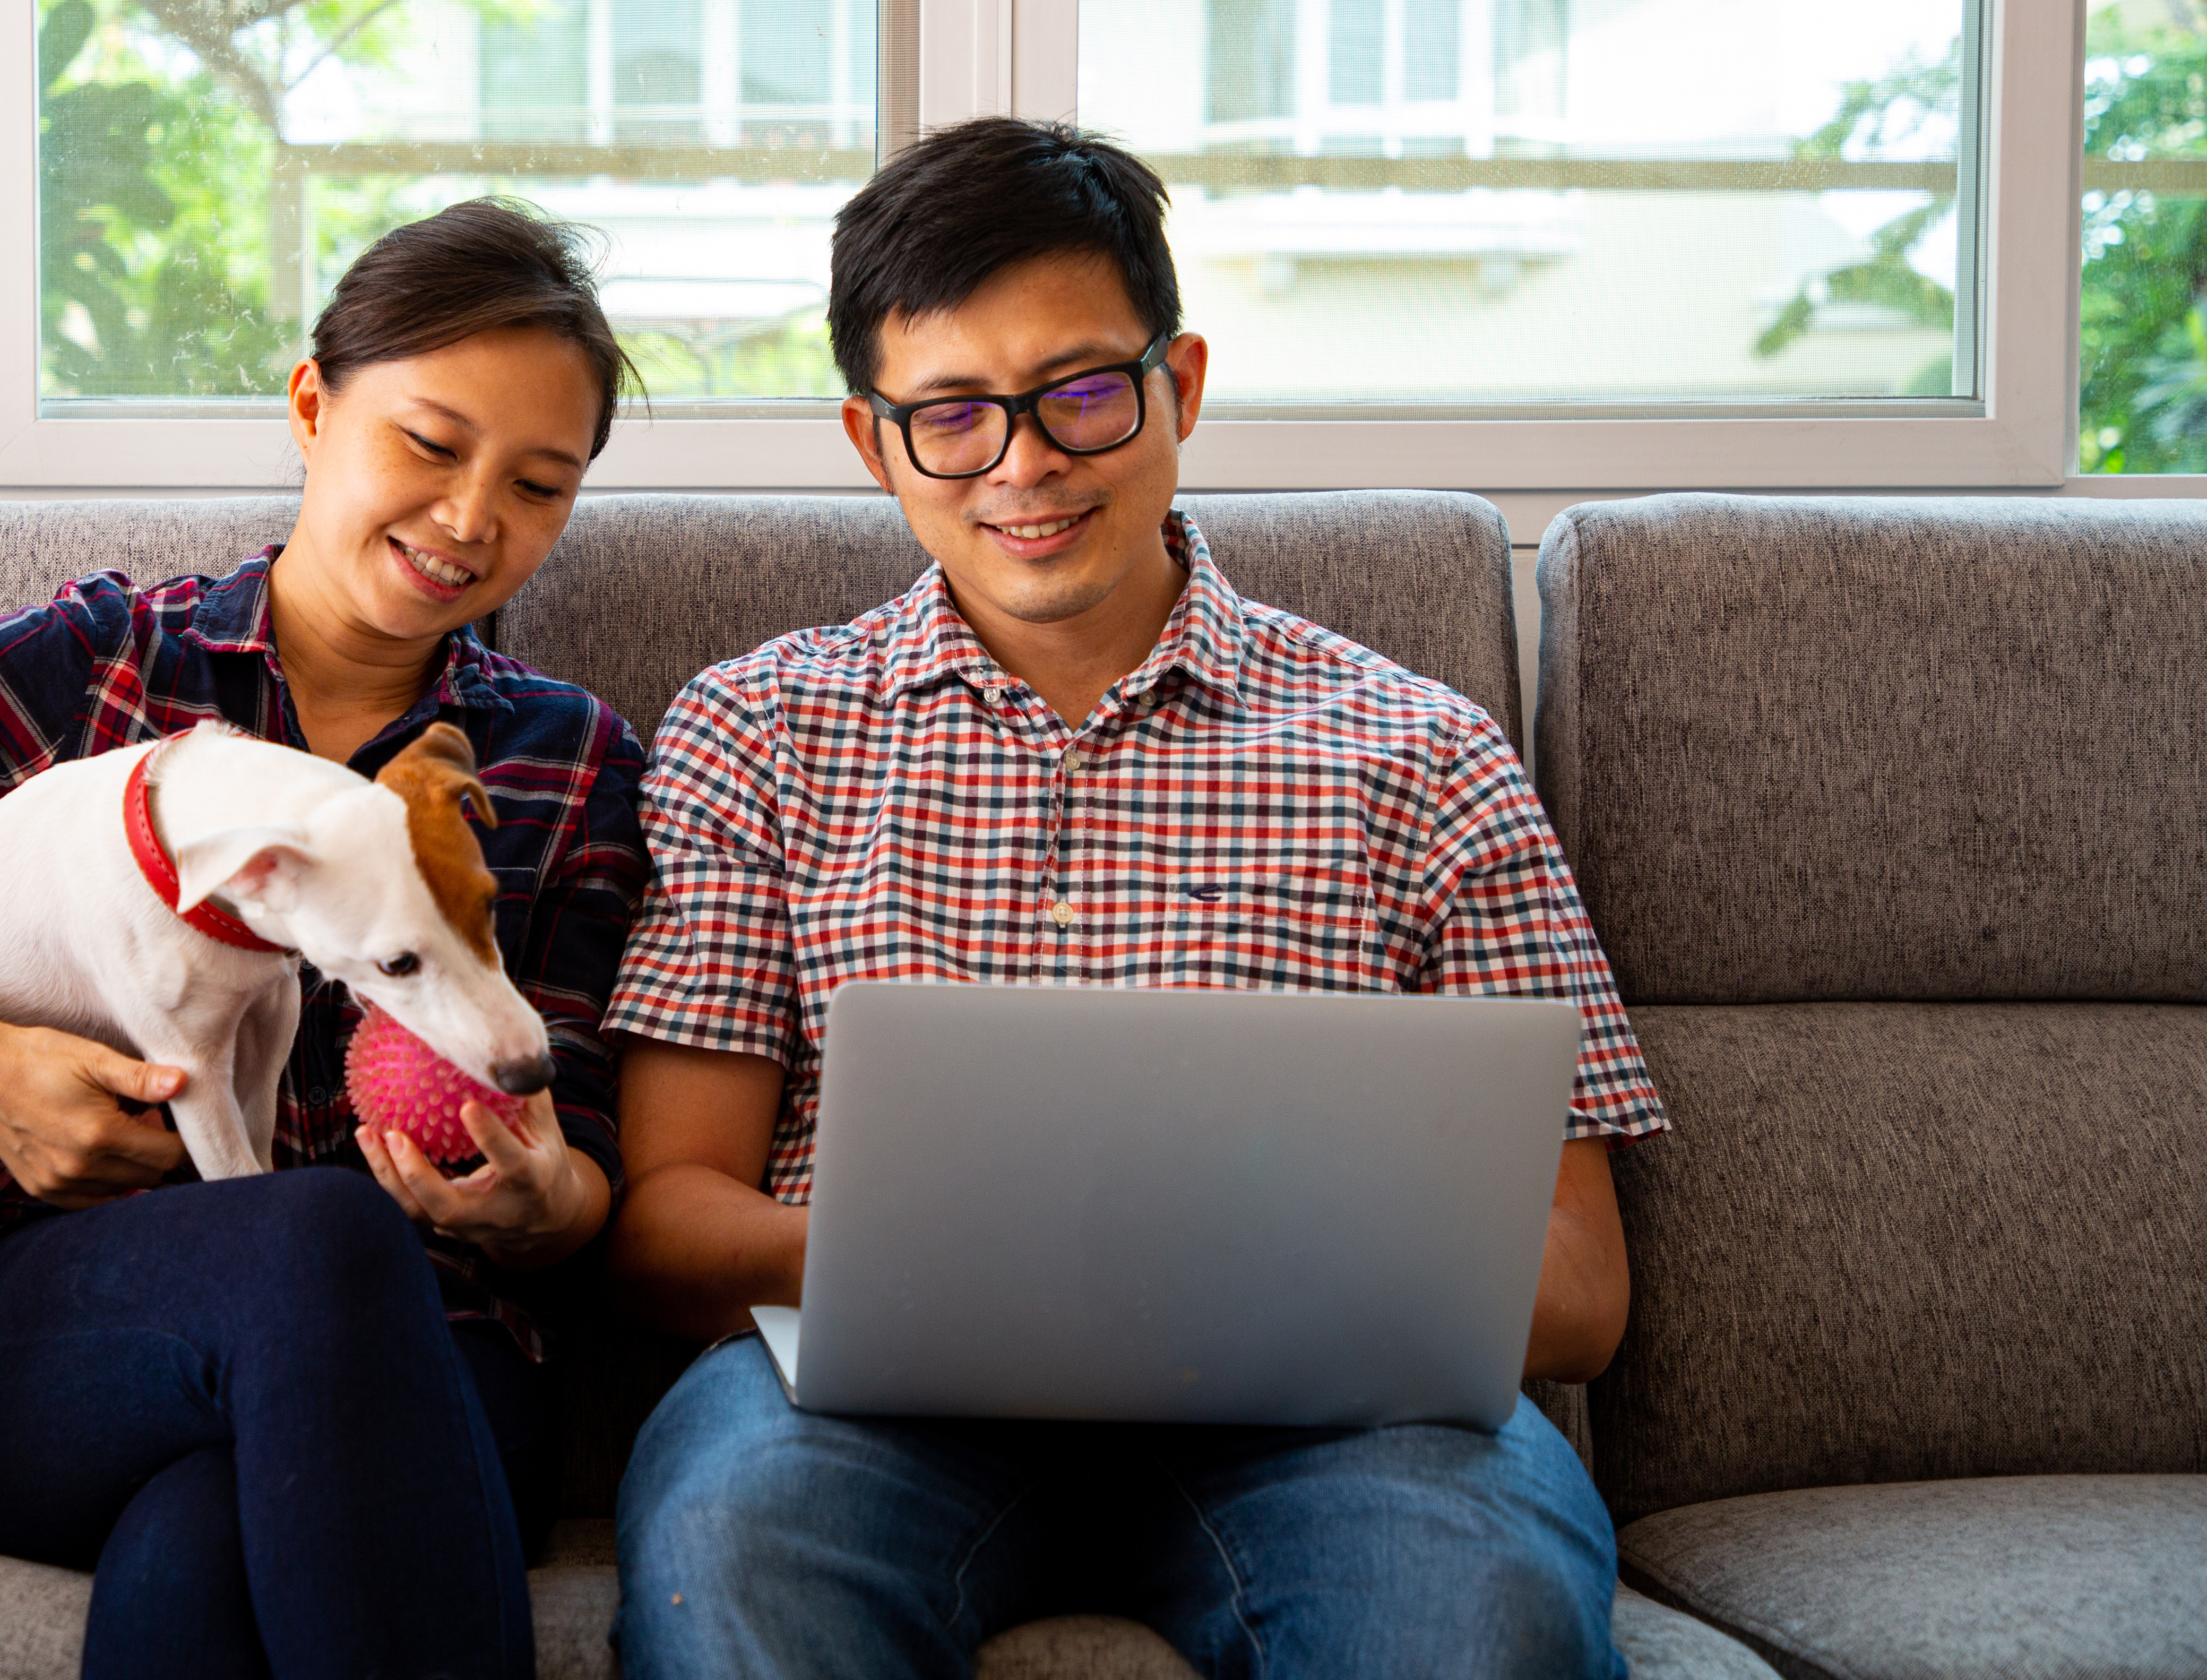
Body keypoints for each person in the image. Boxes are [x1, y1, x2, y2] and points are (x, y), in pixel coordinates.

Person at [601, 118, 1670, 1680]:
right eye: (952, 416)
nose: (1025, 464)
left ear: (1181, 388)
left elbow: (1580, 1295)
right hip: (862, 1403)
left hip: (1340, 1422)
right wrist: (942, 1265)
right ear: (870, 442)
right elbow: (665, 1224)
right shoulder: (756, 731)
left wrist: (1257, 1276)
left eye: (1083, 395)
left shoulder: (1424, 751)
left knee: (1478, 1613)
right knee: (732, 1561)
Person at [0, 200, 652, 1680]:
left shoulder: (564, 758)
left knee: (205, 1540)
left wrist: (546, 1202)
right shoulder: (101, 669)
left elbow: (583, 1128)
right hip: (47, 1338)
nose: (473, 519)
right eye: (429, 444)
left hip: (436, 1351)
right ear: (312, 405)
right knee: (307, 1229)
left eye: (539, 485)